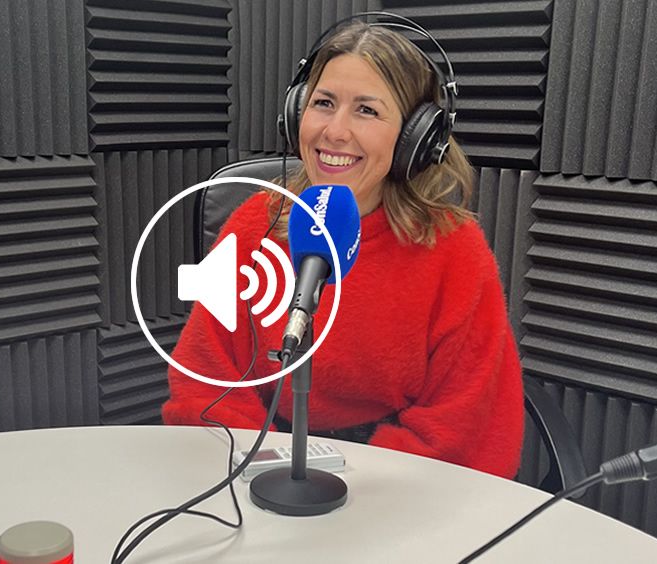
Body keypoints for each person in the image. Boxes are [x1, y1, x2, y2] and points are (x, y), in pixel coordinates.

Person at [162, 20, 524, 479]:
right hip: (261, 467)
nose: (334, 131)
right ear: (296, 112)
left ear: (416, 137)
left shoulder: (455, 250)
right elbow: (203, 381)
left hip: (397, 483)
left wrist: (354, 486)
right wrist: (266, 468)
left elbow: (464, 426)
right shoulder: (257, 224)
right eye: (324, 103)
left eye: (366, 110)